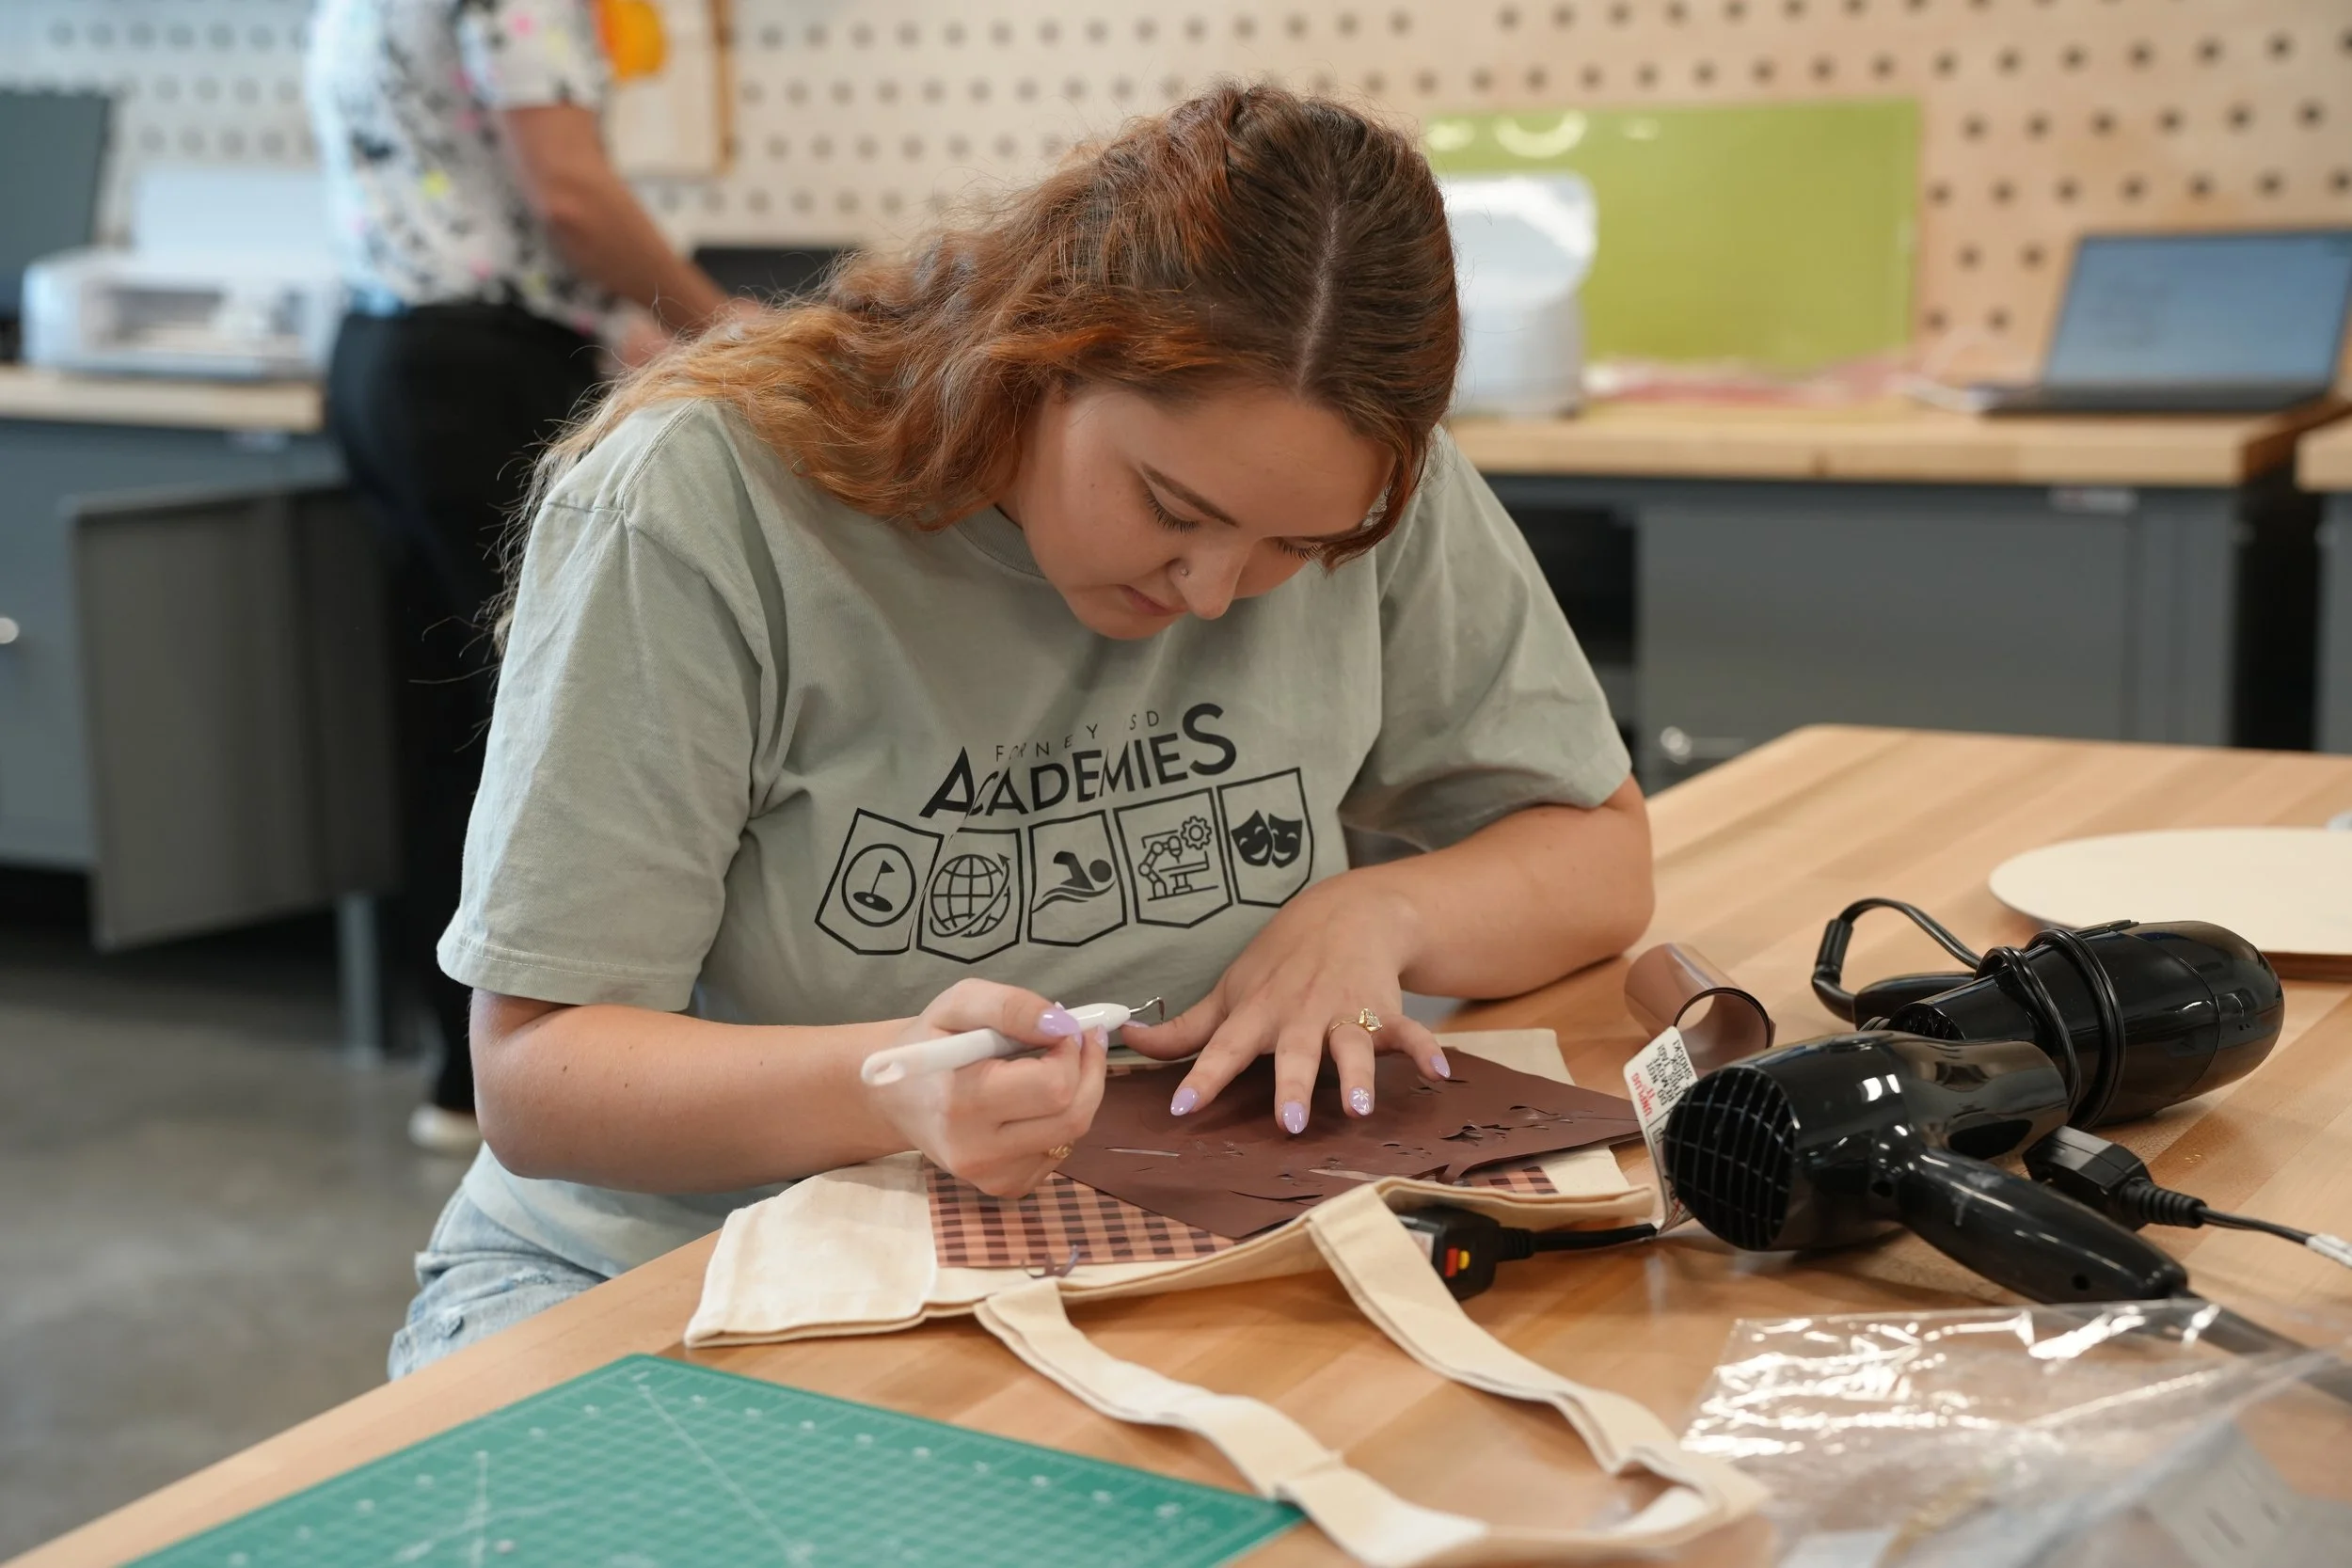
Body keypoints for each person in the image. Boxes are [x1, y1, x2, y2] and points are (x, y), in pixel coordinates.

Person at [388, 84, 1653, 1377]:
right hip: (674, 1269)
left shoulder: (1363, 485)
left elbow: (1600, 854)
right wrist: (887, 1082)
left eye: (1297, 547)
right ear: (1038, 353)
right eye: (1171, 504)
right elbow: (539, 1075)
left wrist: (1377, 916)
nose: (1212, 592)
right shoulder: (700, 505)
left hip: (1143, 1251)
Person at [305, 0, 741, 1152]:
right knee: (559, 725)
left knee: (452, 723)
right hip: (479, 370)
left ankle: (459, 1069)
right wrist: (721, 327)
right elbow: (568, 194)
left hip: (377, 352)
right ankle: (567, 1075)